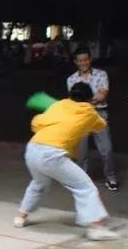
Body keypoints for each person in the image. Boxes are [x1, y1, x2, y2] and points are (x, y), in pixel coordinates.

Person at [14, 82, 119, 240]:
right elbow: (101, 125)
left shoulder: (58, 105)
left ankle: (20, 216)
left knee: (39, 183)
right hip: (52, 154)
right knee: (85, 187)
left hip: (33, 149)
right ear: (89, 98)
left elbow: (36, 123)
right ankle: (96, 227)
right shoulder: (89, 111)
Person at [66, 47, 117, 191]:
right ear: (76, 62)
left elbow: (102, 95)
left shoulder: (101, 74)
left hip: (99, 115)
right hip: (80, 117)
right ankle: (81, 181)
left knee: (107, 149)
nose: (84, 63)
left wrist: (84, 100)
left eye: (86, 60)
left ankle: (111, 178)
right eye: (80, 60)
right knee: (80, 153)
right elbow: (74, 101)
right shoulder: (71, 79)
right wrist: (90, 99)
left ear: (90, 59)